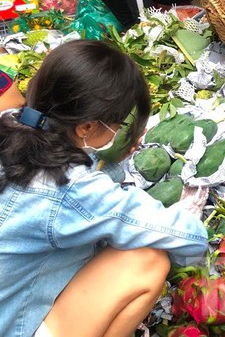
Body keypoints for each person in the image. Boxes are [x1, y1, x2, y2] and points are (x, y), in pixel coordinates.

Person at [0, 39, 209, 336]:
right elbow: (186, 236)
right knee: (147, 261)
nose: (121, 131)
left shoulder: (9, 122)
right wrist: (198, 227)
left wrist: (105, 156)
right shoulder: (71, 188)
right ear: (85, 127)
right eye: (118, 124)